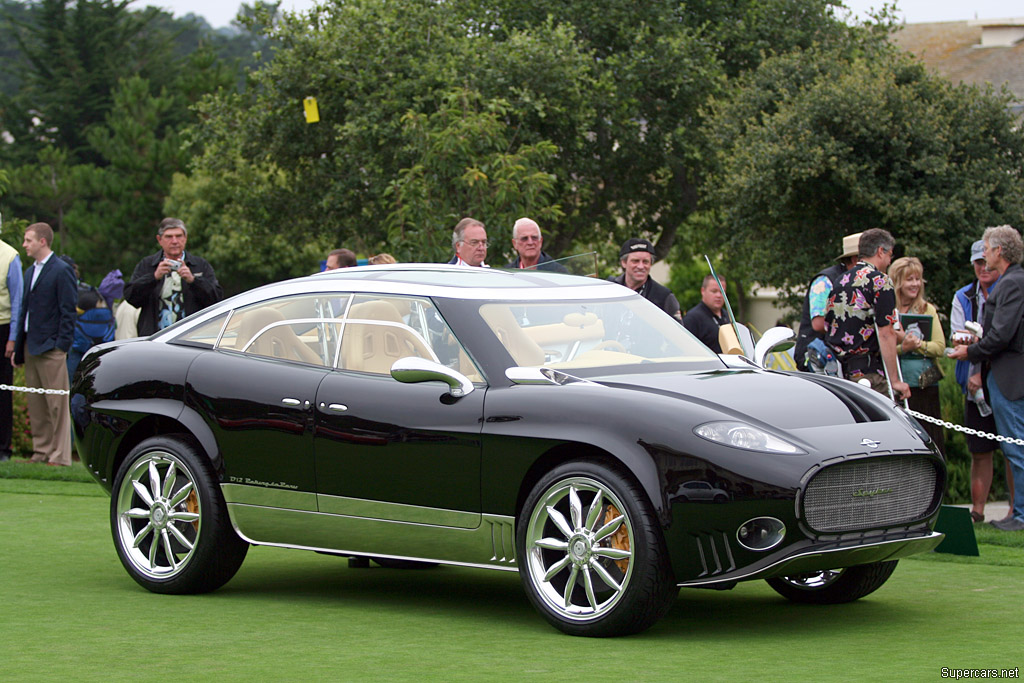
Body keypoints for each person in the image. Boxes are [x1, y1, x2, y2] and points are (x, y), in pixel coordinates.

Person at [950, 225, 1024, 531]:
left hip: (1009, 376)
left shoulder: (1012, 283)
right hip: (1004, 372)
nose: (984, 254)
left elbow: (1003, 335)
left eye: (988, 248)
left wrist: (971, 352)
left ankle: (1021, 515)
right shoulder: (1012, 281)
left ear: (1000, 252)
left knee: (1015, 448)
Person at [13, 223, 77, 466]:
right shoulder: (30, 271)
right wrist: (20, 346)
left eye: (28, 240)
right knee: (36, 402)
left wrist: (61, 345)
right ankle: (41, 450)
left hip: (52, 347)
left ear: (42, 241)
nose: (24, 245)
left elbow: (68, 311)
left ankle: (60, 455)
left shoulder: (61, 270)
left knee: (57, 403)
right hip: (31, 345)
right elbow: (25, 311)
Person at [824, 228, 910, 400]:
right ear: (880, 251)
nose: (889, 261)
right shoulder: (880, 281)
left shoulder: (840, 280)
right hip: (871, 373)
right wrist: (895, 380)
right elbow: (886, 333)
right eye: (889, 255)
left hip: (843, 374)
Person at [124, 218, 223, 337]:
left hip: (194, 339)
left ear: (185, 238)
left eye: (179, 236)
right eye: (169, 237)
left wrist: (193, 280)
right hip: (155, 340)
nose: (174, 241)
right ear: (159, 240)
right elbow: (131, 297)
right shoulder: (147, 265)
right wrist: (154, 277)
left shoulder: (200, 265)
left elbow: (217, 299)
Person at [889, 256, 946, 452]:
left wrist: (917, 344)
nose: (915, 284)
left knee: (930, 442)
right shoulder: (888, 311)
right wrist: (903, 348)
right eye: (909, 279)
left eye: (917, 279)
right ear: (897, 282)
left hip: (924, 386)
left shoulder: (926, 309)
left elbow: (939, 347)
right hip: (895, 387)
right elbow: (881, 348)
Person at [793, 232, 861, 371]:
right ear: (855, 259)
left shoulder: (858, 282)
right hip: (817, 359)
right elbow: (818, 324)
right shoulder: (825, 281)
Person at [610, 238, 681, 320]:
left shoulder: (664, 297)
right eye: (635, 261)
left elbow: (677, 331)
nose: (641, 266)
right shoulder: (609, 290)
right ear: (623, 263)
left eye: (645, 262)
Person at [0, 229, 23, 462]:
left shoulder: (9, 255)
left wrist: (12, 338)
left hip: (3, 328)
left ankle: (3, 448)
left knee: (3, 392)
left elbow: (17, 301)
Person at [683, 274, 729, 352]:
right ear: (703, 291)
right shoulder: (693, 319)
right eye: (714, 291)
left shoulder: (727, 316)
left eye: (722, 292)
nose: (719, 295)